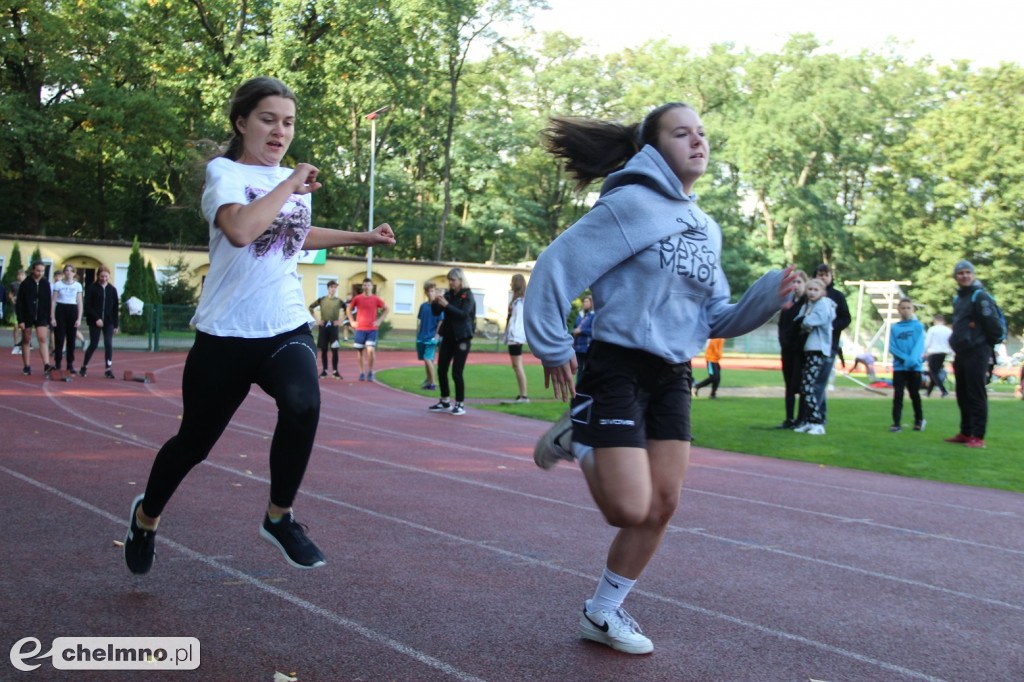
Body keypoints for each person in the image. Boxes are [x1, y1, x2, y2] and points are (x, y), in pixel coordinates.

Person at [524, 102, 796, 654]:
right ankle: (581, 436)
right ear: (653, 148)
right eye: (682, 133)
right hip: (617, 364)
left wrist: (769, 295)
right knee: (626, 507)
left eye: (702, 133)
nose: (698, 141)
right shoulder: (630, 206)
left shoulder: (707, 227)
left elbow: (715, 318)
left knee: (662, 504)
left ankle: (602, 612)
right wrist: (552, 347)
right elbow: (556, 266)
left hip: (673, 372)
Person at [122, 76, 396, 576]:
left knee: (303, 401)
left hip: (283, 323)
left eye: (288, 122)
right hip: (225, 332)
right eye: (269, 119)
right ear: (242, 122)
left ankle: (280, 516)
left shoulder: (292, 181)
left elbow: (295, 232)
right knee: (193, 445)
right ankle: (146, 516)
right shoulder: (224, 173)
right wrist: (289, 183)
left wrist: (362, 237)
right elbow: (243, 229)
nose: (280, 131)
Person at [944, 260, 1004, 448]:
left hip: (977, 351)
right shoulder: (959, 298)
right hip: (962, 352)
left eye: (968, 272)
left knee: (976, 393)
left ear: (974, 275)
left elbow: (994, 325)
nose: (965, 276)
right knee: (962, 393)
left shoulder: (980, 297)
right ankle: (966, 431)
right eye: (961, 273)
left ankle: (978, 435)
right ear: (955, 277)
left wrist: (983, 344)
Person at [427, 267, 476, 416]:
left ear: (460, 280)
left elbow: (463, 314)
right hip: (448, 336)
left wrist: (446, 305)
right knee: (441, 369)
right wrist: (435, 302)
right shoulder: (448, 294)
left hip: (462, 337)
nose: (450, 283)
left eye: (453, 280)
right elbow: (436, 312)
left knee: (457, 372)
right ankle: (445, 400)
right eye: (449, 280)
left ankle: (460, 403)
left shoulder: (467, 295)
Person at [794, 278, 836, 435]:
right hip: (808, 349)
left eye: (815, 290)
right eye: (809, 289)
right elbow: (799, 320)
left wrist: (805, 322)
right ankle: (810, 421)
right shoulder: (809, 305)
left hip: (818, 349)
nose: (811, 293)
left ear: (822, 292)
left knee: (808, 386)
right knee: (805, 387)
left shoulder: (823, 304)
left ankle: (817, 422)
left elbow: (811, 321)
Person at [811, 264, 850, 416]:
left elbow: (846, 318)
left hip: (829, 345)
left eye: (826, 275)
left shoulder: (838, 296)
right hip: (810, 345)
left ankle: (819, 417)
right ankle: (810, 416)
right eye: (820, 274)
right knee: (810, 384)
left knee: (820, 383)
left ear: (831, 277)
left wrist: (829, 326)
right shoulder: (809, 296)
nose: (823, 278)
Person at [776, 270, 808, 428]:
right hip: (787, 350)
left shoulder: (807, 305)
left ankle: (801, 419)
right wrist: (784, 343)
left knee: (800, 385)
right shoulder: (787, 306)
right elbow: (781, 326)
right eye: (793, 283)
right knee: (789, 385)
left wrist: (796, 344)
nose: (796, 286)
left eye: (799, 282)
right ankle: (789, 419)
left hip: (800, 352)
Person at [888, 297, 926, 432]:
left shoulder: (918, 326)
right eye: (903, 308)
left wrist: (912, 360)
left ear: (913, 309)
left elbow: (919, 346)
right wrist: (905, 359)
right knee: (898, 394)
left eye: (908, 308)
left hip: (914, 367)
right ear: (898, 310)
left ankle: (919, 420)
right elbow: (892, 347)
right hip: (899, 367)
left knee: (914, 394)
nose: (906, 310)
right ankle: (896, 423)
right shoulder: (895, 328)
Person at [80, 265, 119, 378]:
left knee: (108, 343)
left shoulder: (112, 290)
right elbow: (88, 306)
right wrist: (96, 318)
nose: (104, 279)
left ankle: (108, 368)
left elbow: (115, 308)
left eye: (106, 276)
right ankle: (84, 366)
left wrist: (116, 324)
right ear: (98, 276)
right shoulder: (92, 288)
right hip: (95, 321)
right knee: (94, 343)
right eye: (102, 276)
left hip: (108, 321)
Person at [15, 261, 52, 377]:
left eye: (42, 271)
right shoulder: (25, 284)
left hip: (41, 316)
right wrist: (20, 320)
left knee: (42, 339)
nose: (40, 273)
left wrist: (48, 318)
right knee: (26, 340)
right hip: (27, 316)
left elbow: (48, 301)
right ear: (32, 270)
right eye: (38, 271)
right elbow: (19, 303)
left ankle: (46, 365)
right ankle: (26, 366)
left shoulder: (45, 283)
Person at [347, 278, 388, 381]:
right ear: (362, 286)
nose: (366, 287)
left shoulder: (376, 299)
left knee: (370, 350)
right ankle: (361, 372)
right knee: (360, 352)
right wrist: (352, 321)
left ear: (372, 286)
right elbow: (349, 309)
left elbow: (387, 309)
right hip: (360, 328)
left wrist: (379, 320)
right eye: (364, 285)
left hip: (372, 329)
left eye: (368, 285)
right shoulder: (357, 298)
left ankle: (370, 371)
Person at [51, 264, 84, 376]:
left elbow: (79, 302)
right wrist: (52, 317)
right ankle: (58, 363)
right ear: (64, 272)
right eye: (67, 270)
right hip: (61, 309)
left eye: (71, 271)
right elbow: (53, 301)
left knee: (71, 339)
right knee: (59, 338)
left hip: (72, 310)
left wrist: (79, 318)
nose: (69, 272)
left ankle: (70, 364)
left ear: (74, 273)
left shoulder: (78, 285)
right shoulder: (58, 284)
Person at [502, 273, 529, 403]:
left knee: (517, 365)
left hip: (516, 338)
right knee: (516, 365)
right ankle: (522, 394)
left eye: (512, 282)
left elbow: (519, 321)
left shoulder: (520, 301)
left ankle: (524, 395)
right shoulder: (516, 300)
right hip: (513, 337)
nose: (510, 284)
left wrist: (518, 337)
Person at [309, 280, 344, 378]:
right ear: (328, 288)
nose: (333, 289)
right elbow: (311, 307)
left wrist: (340, 321)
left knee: (335, 349)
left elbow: (348, 310)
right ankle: (324, 371)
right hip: (324, 327)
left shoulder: (339, 301)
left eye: (335, 287)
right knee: (324, 349)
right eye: (332, 287)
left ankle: (335, 371)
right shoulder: (322, 299)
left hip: (334, 327)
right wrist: (317, 320)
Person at [416, 282, 443, 390]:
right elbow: (421, 321)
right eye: (428, 291)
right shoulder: (423, 306)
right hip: (422, 336)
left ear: (435, 292)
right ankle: (428, 380)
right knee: (427, 360)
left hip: (432, 337)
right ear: (425, 292)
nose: (430, 293)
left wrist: (436, 335)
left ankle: (433, 383)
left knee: (428, 358)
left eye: (432, 291)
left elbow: (441, 321)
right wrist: (419, 333)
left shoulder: (438, 307)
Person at [923, 313, 952, 397]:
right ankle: (928, 392)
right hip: (943, 352)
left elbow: (927, 342)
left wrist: (924, 352)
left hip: (933, 352)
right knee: (935, 372)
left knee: (933, 372)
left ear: (936, 321)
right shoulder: (948, 330)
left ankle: (943, 390)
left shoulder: (932, 329)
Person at [572, 295, 595, 379]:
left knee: (589, 370)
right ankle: (578, 389)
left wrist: (581, 331)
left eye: (586, 302)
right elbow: (574, 327)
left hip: (588, 346)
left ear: (591, 303)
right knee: (580, 369)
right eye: (584, 302)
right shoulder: (580, 315)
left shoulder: (594, 316)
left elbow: (594, 331)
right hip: (578, 347)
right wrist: (574, 331)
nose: (584, 304)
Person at [8, 269, 24, 354]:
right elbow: (10, 293)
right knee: (16, 326)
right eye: (18, 275)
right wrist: (12, 300)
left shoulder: (26, 285)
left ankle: (22, 344)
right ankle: (16, 344)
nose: (20, 277)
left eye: (21, 275)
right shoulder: (13, 284)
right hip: (15, 308)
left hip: (24, 309)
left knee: (23, 327)